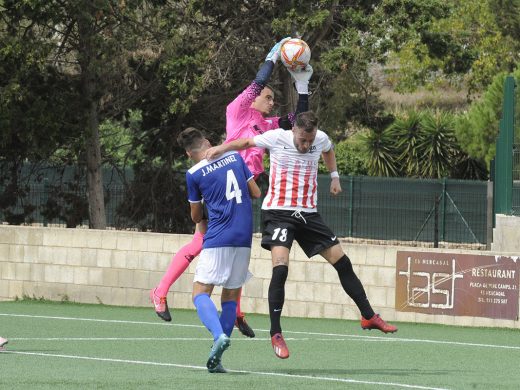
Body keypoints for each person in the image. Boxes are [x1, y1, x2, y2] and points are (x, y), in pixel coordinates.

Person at [150, 37, 312, 338]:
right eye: (267, 97)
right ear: (253, 98)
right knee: (201, 243)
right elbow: (257, 81)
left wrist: (303, 88)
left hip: (241, 187)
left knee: (230, 250)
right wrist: (273, 55)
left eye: (273, 99)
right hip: (223, 185)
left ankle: (233, 310)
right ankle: (160, 292)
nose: (271, 101)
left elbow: (299, 121)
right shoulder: (237, 110)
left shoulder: (268, 124)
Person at [205, 111, 398, 360]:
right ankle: (275, 332)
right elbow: (245, 142)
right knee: (281, 268)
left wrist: (335, 177)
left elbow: (328, 149)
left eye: (311, 140)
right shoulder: (277, 137)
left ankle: (368, 316)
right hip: (278, 212)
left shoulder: (321, 139)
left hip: (308, 214)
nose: (307, 145)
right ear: (294, 130)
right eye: (303, 140)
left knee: (343, 261)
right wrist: (220, 148)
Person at [179, 127, 261, 373]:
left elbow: (196, 216)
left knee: (200, 293)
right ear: (207, 141)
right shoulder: (235, 157)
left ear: (187, 153)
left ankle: (218, 336)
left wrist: (206, 201)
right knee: (230, 296)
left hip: (218, 237)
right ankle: (219, 359)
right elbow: (255, 193)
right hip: (244, 236)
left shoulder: (193, 173)